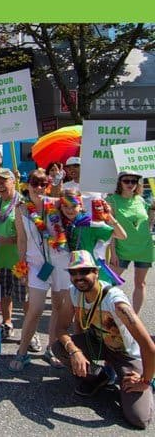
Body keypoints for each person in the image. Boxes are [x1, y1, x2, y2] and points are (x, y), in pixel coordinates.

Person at [51, 251, 155, 429]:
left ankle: (150, 381)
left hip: (126, 355)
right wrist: (74, 350)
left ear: (96, 272)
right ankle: (100, 377)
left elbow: (148, 346)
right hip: (99, 345)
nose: (78, 277)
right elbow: (60, 328)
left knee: (139, 419)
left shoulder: (115, 301)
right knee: (59, 348)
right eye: (73, 273)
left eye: (84, 271)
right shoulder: (74, 293)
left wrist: (145, 381)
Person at [11, 169, 73, 371]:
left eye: (42, 184)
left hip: (61, 262)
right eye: (34, 183)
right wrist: (22, 267)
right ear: (27, 185)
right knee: (35, 308)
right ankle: (22, 352)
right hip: (36, 265)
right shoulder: (21, 209)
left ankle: (52, 350)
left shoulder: (55, 203)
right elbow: (21, 239)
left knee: (58, 307)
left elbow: (77, 208)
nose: (38, 188)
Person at [109, 170, 155, 314]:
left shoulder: (141, 200)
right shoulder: (112, 200)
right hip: (122, 247)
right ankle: (107, 313)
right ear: (119, 182)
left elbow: (148, 223)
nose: (130, 184)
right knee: (109, 283)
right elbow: (110, 229)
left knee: (140, 283)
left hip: (144, 247)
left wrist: (153, 210)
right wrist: (113, 252)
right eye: (126, 181)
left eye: (134, 181)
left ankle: (133, 318)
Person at [0, 168, 24, 343]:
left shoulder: (22, 204)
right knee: (3, 294)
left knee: (24, 297)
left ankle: (29, 332)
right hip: (0, 260)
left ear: (13, 181)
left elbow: (29, 236)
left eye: (3, 181)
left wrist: (7, 240)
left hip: (20, 261)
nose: (0, 185)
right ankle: (7, 322)